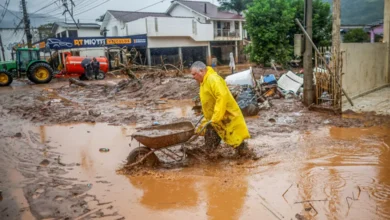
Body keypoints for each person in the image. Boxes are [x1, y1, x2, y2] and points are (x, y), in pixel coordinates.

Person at [190, 61, 251, 156]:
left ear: (201, 71)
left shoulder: (213, 79)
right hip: (213, 120)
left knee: (236, 140)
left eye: (194, 74)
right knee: (210, 148)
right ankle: (212, 159)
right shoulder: (204, 82)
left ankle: (248, 158)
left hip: (225, 116)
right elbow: (209, 100)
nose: (193, 77)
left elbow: (222, 96)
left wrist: (217, 116)